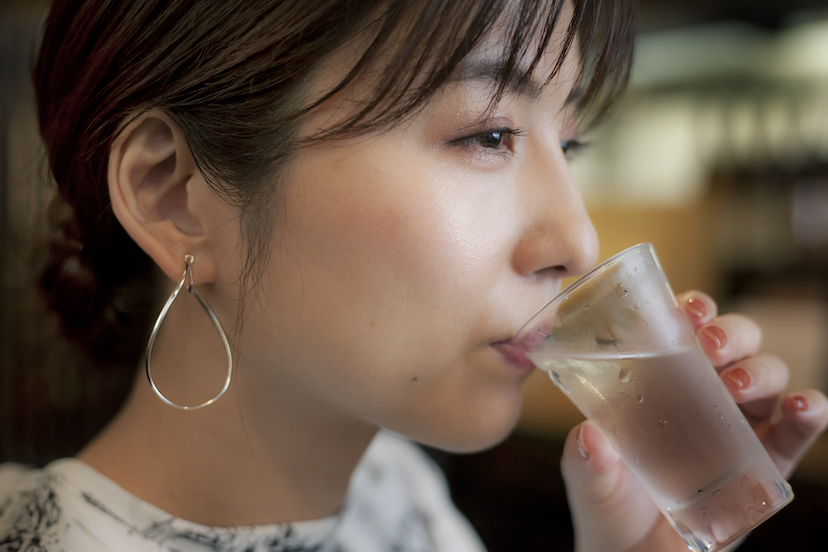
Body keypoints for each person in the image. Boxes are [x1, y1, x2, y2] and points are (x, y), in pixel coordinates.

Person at [1, 0, 826, 551]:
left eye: (567, 145)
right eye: (489, 135)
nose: (578, 239)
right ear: (174, 196)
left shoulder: (396, 495)